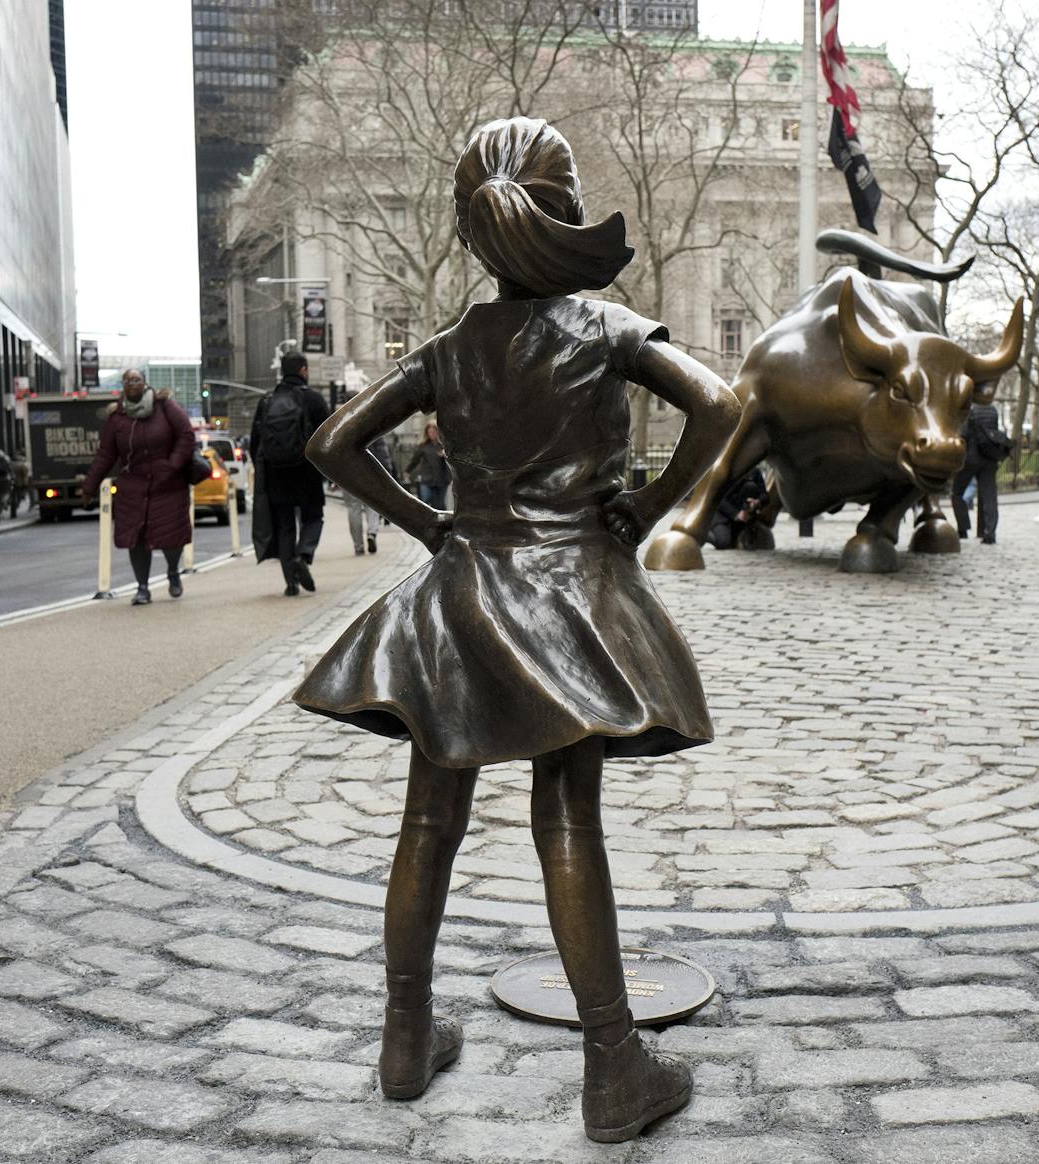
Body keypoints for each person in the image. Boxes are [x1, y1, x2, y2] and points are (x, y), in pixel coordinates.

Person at [297, 118, 739, 1143]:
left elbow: (332, 441)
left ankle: (405, 1040)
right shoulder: (606, 329)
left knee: (427, 821)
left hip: (457, 596)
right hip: (568, 594)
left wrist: (428, 525)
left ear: (469, 230)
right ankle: (612, 1065)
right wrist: (651, 507)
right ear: (567, 210)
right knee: (566, 819)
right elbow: (718, 407)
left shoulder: (451, 349)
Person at [80, 368, 195, 605]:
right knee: (137, 539)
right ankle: (142, 587)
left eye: (136, 380)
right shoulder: (117, 417)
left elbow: (186, 435)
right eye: (127, 381)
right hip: (133, 486)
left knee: (171, 537)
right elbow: (106, 455)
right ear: (122, 386)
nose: (132, 384)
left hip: (168, 485)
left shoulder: (165, 407)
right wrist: (89, 486)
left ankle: (173, 571)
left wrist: (172, 465)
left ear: (145, 383)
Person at [251, 351, 330, 595]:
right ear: (304, 371)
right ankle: (304, 556)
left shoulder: (266, 401)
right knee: (313, 517)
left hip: (277, 475)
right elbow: (329, 438)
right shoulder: (314, 400)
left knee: (285, 526)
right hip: (307, 472)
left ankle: (290, 583)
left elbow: (255, 444)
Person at [951, 401, 1009, 545]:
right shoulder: (993, 411)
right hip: (989, 459)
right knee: (989, 496)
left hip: (970, 459)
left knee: (956, 493)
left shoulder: (971, 411)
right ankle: (989, 532)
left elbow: (963, 434)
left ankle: (963, 529)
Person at [348, 435, 395, 554]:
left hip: (349, 474)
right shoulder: (372, 427)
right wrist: (387, 474)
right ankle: (372, 533)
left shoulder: (343, 426)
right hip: (369, 472)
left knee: (354, 509)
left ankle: (358, 546)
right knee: (373, 505)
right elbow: (382, 452)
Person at [707, 465, 768, 550]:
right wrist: (736, 514)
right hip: (723, 515)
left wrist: (757, 501)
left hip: (744, 516)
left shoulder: (755, 471)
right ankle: (705, 533)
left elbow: (764, 495)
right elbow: (718, 499)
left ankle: (742, 528)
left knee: (751, 486)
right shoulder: (724, 470)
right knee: (723, 543)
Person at [407, 423, 450, 509]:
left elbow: (455, 459)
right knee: (426, 501)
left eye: (434, 432)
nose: (432, 434)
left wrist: (446, 455)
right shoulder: (423, 446)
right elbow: (415, 460)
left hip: (442, 480)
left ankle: (442, 522)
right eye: (430, 432)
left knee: (439, 504)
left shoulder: (445, 446)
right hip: (427, 479)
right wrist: (407, 471)